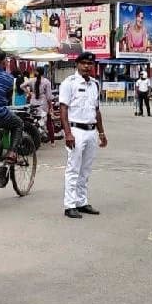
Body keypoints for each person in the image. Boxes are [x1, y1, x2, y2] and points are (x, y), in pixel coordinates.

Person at [60, 51, 107, 219]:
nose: (87, 66)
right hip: (76, 131)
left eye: (90, 64)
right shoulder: (69, 83)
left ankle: (82, 202)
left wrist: (101, 132)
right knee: (73, 168)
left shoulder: (94, 84)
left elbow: (96, 109)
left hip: (91, 131)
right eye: (84, 63)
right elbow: (63, 109)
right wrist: (67, 133)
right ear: (77, 64)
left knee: (85, 170)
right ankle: (70, 205)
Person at [24, 65, 55, 142]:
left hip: (33, 100)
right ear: (43, 73)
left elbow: (22, 86)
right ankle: (41, 136)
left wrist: (29, 93)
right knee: (43, 120)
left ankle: (35, 136)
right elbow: (49, 96)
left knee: (34, 119)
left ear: (36, 72)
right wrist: (51, 106)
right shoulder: (46, 81)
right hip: (43, 102)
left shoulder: (31, 80)